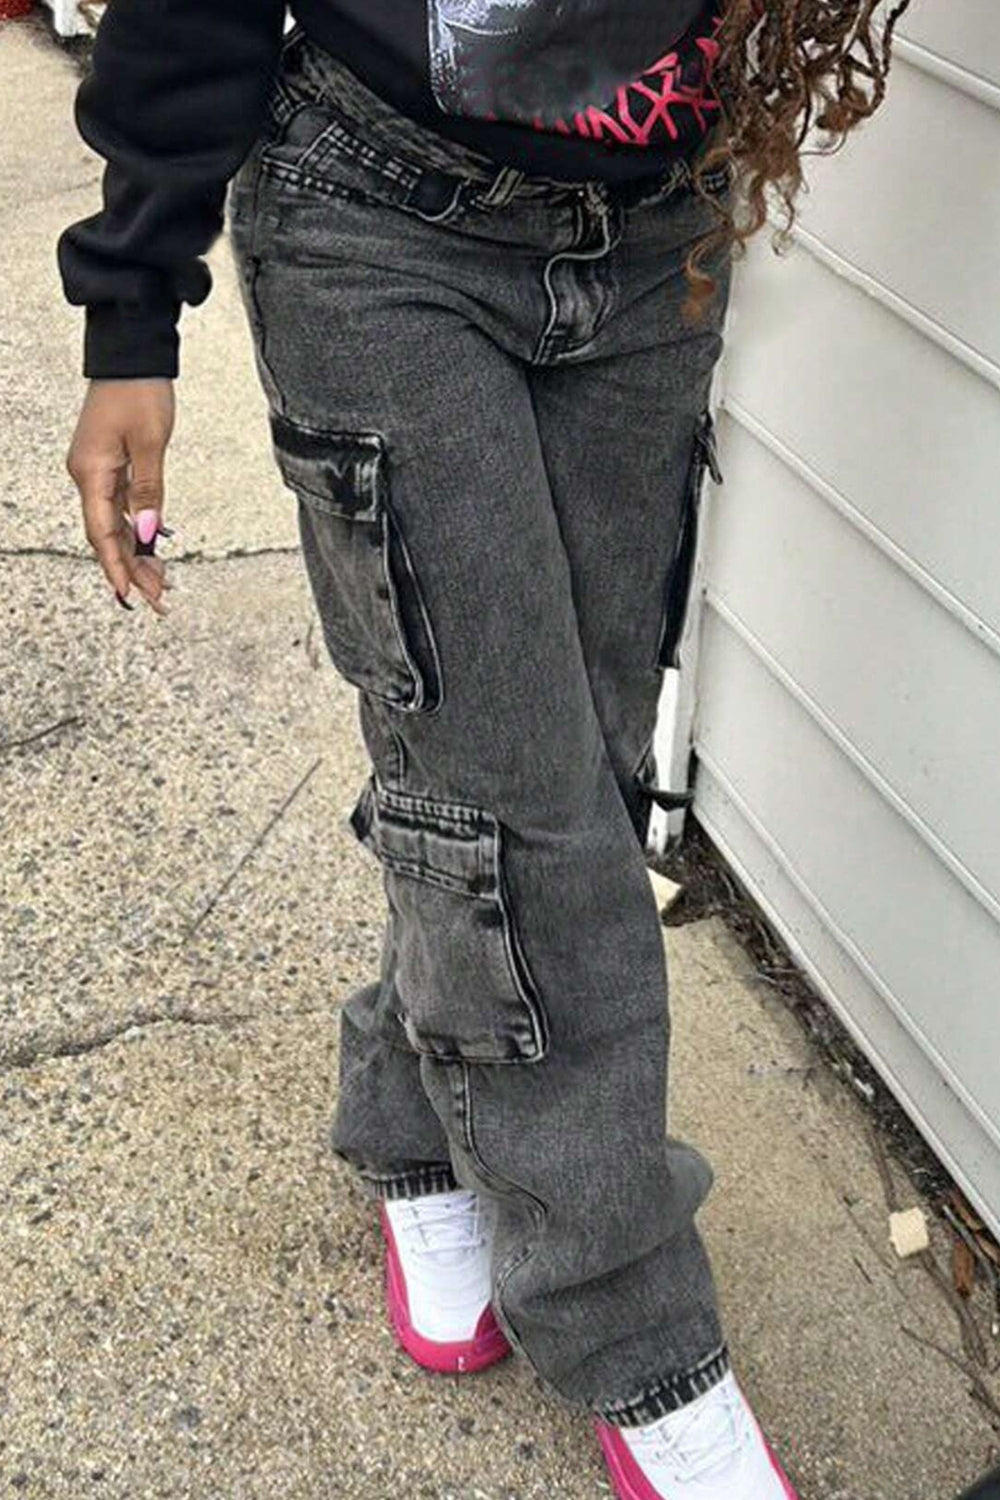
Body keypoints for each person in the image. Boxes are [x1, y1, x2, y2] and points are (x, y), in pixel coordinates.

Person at [56, 3, 912, 1495]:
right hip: (382, 222)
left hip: (658, 233)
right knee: (517, 803)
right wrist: (133, 308)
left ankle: (409, 1113)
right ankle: (631, 1322)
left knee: (561, 753)